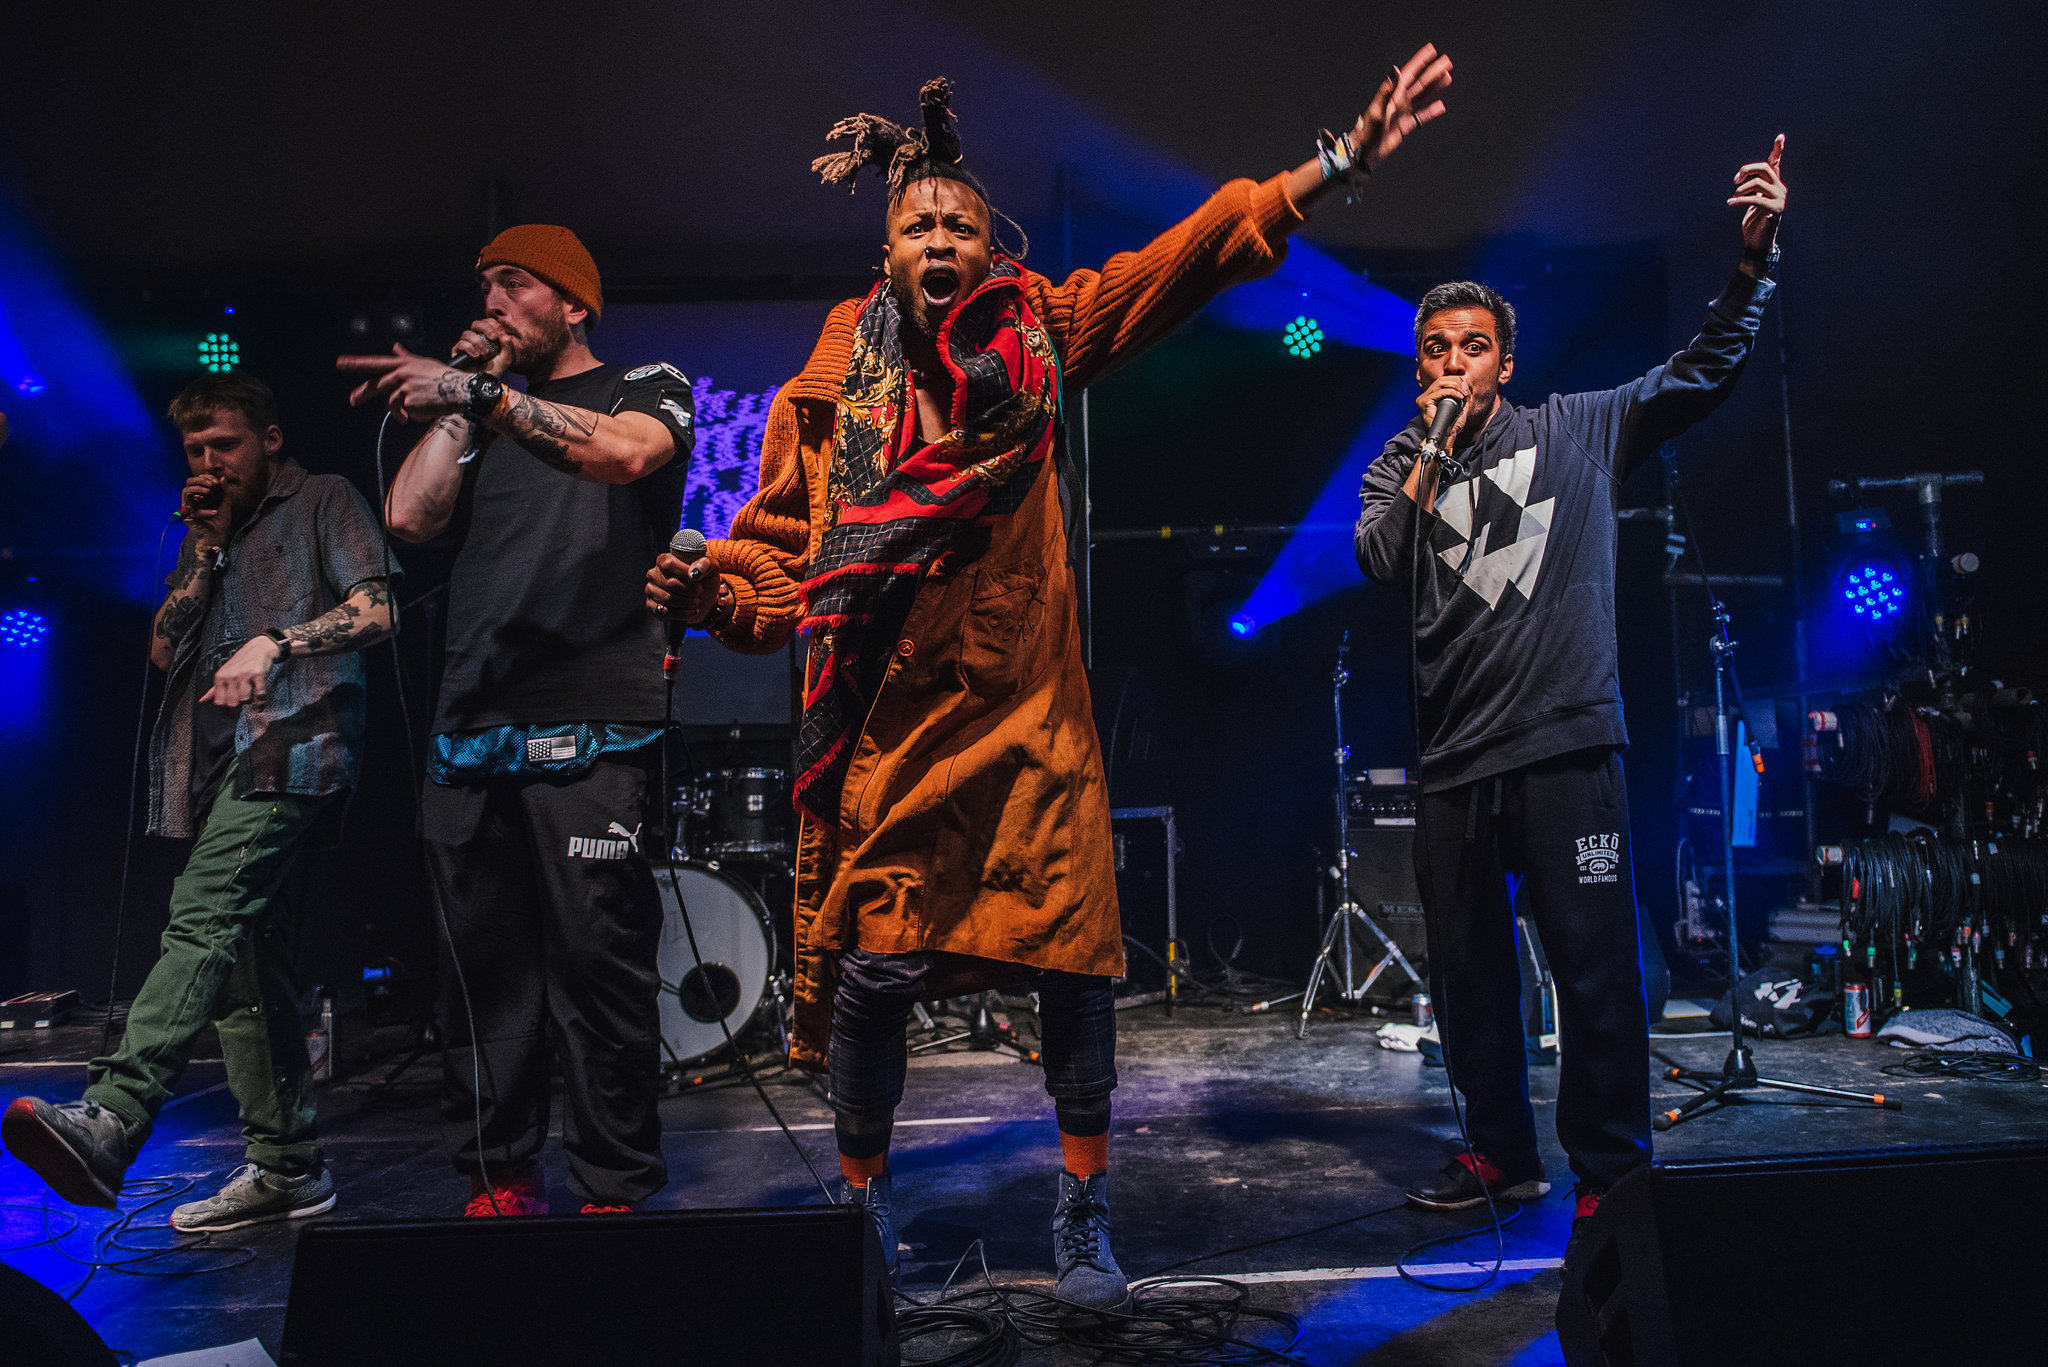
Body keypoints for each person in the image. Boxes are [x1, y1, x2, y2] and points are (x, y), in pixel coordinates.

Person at [645, 53, 1454, 1306]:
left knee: (1074, 963)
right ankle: (859, 1204)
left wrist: (1331, 164)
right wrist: (712, 597)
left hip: (1029, 716)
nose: (939, 240)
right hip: (896, 729)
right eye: (917, 225)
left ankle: (1082, 1209)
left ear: (990, 247)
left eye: (960, 226)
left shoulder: (1037, 331)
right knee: (874, 971)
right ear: (886, 253)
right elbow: (780, 569)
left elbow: (1186, 257)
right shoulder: (832, 380)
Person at [1352, 139, 1789, 1230]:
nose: (1454, 363)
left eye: (1474, 347)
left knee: (1595, 973)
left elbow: (1699, 372)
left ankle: (1611, 1174)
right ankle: (1500, 1156)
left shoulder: (1577, 430)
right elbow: (1381, 558)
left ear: (1505, 363)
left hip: (1565, 751)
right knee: (1468, 979)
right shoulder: (1395, 468)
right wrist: (1427, 456)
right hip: (1455, 764)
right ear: (1418, 368)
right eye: (1436, 350)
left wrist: (1752, 263)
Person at [339, 225, 695, 1216]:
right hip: (473, 714)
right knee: (480, 968)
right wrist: (468, 399)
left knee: (598, 960)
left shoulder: (644, 382)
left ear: (575, 304)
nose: (491, 302)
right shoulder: (482, 412)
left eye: (513, 285)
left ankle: (613, 1186)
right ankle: (497, 1176)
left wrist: (481, 393)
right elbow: (410, 518)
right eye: (483, 287)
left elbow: (628, 455)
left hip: (596, 717)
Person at [2, 373, 396, 1231]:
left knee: (202, 918)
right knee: (244, 964)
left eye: (226, 445)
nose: (210, 463)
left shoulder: (323, 498)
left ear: (270, 439)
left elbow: (377, 608)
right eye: (195, 450)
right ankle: (289, 1166)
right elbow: (161, 647)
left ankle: (113, 1114)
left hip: (291, 751)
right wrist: (207, 548)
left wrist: (277, 640)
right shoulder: (204, 534)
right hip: (212, 766)